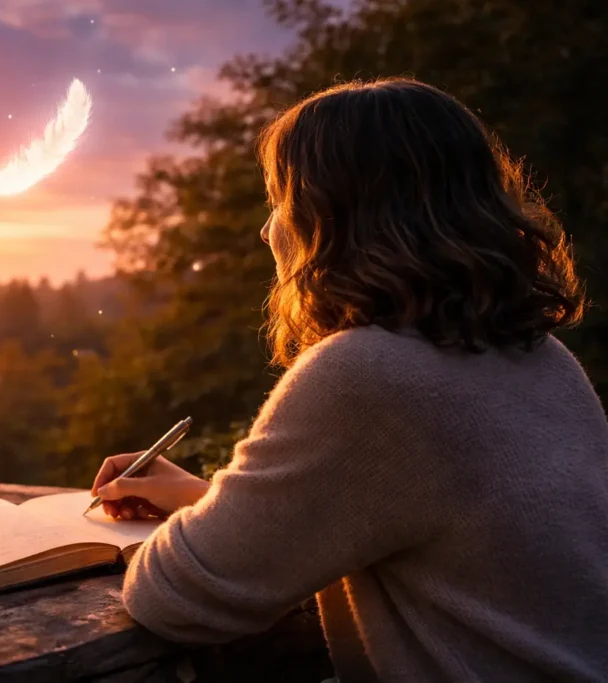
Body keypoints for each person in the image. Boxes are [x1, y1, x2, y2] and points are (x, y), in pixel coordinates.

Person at [91, 78, 608, 682]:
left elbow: (176, 598)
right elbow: (407, 515)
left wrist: (185, 541)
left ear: (333, 217)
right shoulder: (540, 359)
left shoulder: (366, 375)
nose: (266, 231)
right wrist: (202, 499)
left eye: (279, 202)